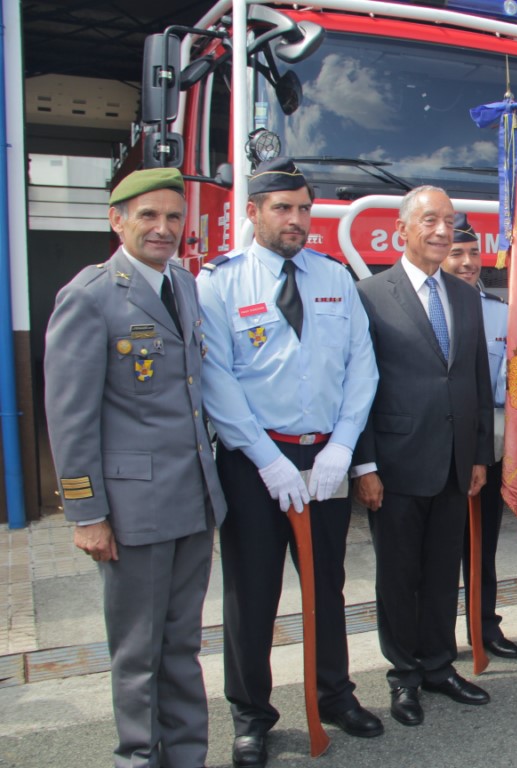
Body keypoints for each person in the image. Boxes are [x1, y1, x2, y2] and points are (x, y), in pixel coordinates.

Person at [197, 158, 382, 768]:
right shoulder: (219, 283)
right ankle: (252, 716)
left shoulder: (333, 276)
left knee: (326, 584)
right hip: (256, 464)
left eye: (304, 208)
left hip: (324, 457)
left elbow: (363, 368)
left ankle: (335, 694)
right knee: (252, 593)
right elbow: (216, 380)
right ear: (252, 212)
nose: (297, 219)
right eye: (283, 208)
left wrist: (342, 447)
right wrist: (265, 459)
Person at [44, 168, 226, 768]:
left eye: (174, 217)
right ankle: (138, 759)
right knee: (136, 654)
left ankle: (186, 757)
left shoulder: (183, 283)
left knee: (182, 646)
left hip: (193, 501)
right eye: (148, 215)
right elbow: (71, 419)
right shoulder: (91, 295)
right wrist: (87, 513)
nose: (163, 228)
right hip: (132, 512)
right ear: (116, 220)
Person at [352, 186, 494, 727]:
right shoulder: (369, 293)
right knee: (398, 576)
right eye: (430, 221)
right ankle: (404, 676)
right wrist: (364, 465)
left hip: (456, 464)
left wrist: (480, 453)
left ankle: (439, 665)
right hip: (395, 464)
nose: (441, 231)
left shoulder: (464, 294)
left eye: (449, 222)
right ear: (403, 228)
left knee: (441, 573)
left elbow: (476, 376)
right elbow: (358, 387)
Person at [443, 213, 517, 660]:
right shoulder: (429, 306)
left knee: (482, 543)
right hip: (438, 447)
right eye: (458, 253)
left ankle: (484, 625)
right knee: (438, 549)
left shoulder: (498, 312)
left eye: (474, 253)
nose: (469, 262)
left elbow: (506, 384)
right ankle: (434, 633)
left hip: (483, 447)